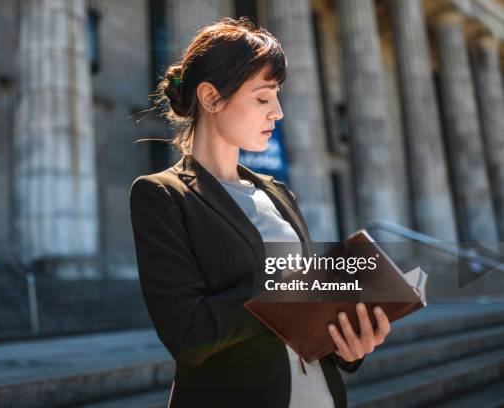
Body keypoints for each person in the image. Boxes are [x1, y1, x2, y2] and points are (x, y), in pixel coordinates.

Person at [129, 17, 391, 408]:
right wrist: (287, 283)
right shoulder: (162, 194)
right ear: (211, 98)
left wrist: (347, 346)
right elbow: (188, 334)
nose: (278, 113)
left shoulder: (278, 193)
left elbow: (304, 315)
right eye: (264, 97)